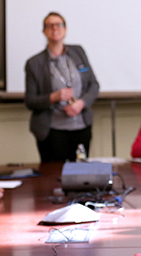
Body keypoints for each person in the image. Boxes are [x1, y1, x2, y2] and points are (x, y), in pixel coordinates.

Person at [24, 12, 99, 162]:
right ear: (44, 31)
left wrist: (81, 103)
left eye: (59, 25)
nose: (55, 28)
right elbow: (30, 101)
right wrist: (53, 97)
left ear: (65, 29)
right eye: (50, 26)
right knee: (53, 176)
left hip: (81, 126)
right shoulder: (35, 63)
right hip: (52, 130)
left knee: (80, 174)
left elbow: (93, 85)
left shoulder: (78, 52)